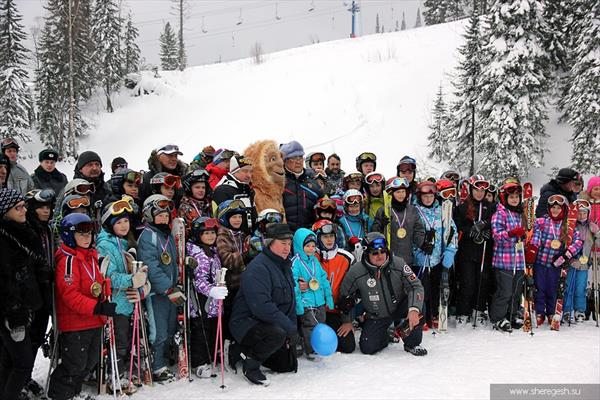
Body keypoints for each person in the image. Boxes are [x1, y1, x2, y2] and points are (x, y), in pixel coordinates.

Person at [48, 213, 117, 400]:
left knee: (90, 361)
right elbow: (70, 295)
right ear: (70, 236)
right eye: (82, 234)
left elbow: (96, 282)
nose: (87, 238)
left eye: (89, 234)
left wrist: (105, 293)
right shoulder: (68, 260)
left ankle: (73, 392)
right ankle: (59, 394)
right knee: (75, 363)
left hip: (93, 320)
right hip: (75, 323)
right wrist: (97, 307)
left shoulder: (90, 255)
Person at [229, 223, 298, 386]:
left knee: (286, 365)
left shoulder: (284, 264)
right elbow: (261, 306)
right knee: (277, 334)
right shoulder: (258, 267)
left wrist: (293, 327)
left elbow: (291, 299)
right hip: (247, 323)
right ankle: (250, 365)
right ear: (269, 243)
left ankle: (243, 352)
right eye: (282, 243)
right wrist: (288, 328)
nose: (287, 248)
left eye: (289, 243)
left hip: (271, 323)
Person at [338, 232, 427, 356]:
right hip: (376, 315)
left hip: (399, 307)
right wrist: (347, 321)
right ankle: (386, 334)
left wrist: (413, 309)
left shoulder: (398, 263)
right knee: (367, 347)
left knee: (419, 307)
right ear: (367, 253)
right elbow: (344, 295)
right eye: (374, 253)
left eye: (383, 251)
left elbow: (415, 286)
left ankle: (412, 343)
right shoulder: (356, 271)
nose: (380, 256)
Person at [0, 189, 49, 400]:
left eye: (23, 206)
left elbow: (31, 264)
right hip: (12, 311)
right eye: (17, 207)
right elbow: (3, 281)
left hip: (26, 304)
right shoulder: (3, 238)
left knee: (9, 360)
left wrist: (45, 274)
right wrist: (13, 311)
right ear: (5, 212)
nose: (23, 210)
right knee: (22, 363)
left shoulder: (21, 230)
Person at [96, 199, 149, 394]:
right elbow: (108, 276)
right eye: (118, 222)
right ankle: (114, 376)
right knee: (118, 342)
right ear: (110, 224)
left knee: (127, 340)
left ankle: (126, 373)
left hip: (128, 301)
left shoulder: (125, 242)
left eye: (126, 221)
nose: (124, 225)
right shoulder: (105, 245)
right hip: (116, 303)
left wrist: (142, 282)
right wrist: (132, 280)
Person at [137, 194, 181, 381]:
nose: (164, 218)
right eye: (159, 215)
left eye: (166, 215)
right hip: (157, 293)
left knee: (171, 326)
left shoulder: (166, 235)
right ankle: (157, 366)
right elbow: (151, 267)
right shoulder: (147, 236)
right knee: (159, 330)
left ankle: (167, 358)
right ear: (149, 215)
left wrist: (177, 279)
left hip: (170, 290)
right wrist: (167, 288)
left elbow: (172, 261)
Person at [526, 194, 583, 326]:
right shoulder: (542, 222)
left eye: (558, 208)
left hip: (555, 265)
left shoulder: (568, 225)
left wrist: (566, 254)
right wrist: (533, 248)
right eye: (553, 208)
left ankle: (552, 312)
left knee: (552, 289)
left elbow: (578, 242)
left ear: (563, 209)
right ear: (549, 209)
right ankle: (540, 312)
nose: (555, 210)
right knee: (539, 288)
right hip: (540, 262)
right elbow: (534, 233)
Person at [23, 189, 57, 397]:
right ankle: (19, 379)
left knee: (36, 337)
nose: (46, 211)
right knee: (26, 339)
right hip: (31, 292)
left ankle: (25, 377)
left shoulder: (47, 229)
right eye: (41, 208)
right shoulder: (27, 229)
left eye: (48, 207)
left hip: (46, 290)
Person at [412, 181, 458, 329]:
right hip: (421, 258)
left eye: (430, 196)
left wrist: (450, 251)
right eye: (424, 196)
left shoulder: (442, 211)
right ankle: (423, 315)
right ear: (420, 196)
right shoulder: (414, 211)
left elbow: (452, 232)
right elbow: (410, 235)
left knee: (437, 287)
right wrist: (417, 251)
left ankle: (435, 314)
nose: (427, 199)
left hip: (438, 258)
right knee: (422, 289)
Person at [186, 216, 226, 379]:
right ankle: (199, 363)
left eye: (212, 233)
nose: (210, 236)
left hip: (213, 302)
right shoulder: (199, 254)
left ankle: (211, 357)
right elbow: (199, 280)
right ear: (198, 235)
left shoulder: (212, 251)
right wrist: (211, 291)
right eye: (206, 233)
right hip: (202, 300)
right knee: (201, 331)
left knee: (211, 329)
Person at [312, 219, 355, 353]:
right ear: (318, 238)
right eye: (325, 237)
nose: (329, 240)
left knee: (347, 347)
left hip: (336, 311)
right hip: (314, 311)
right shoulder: (311, 257)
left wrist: (348, 320)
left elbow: (354, 289)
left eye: (331, 236)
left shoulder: (347, 258)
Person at [489, 180, 527, 332]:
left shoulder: (521, 214)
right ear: (505, 198)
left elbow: (527, 232)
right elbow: (497, 236)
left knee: (516, 291)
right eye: (511, 197)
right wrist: (511, 233)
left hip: (518, 261)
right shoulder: (500, 214)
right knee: (505, 291)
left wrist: (524, 236)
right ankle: (498, 317)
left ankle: (512, 314)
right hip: (504, 261)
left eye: (517, 197)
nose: (514, 200)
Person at [291, 228, 334, 360]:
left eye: (313, 246)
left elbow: (324, 279)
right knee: (310, 326)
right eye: (307, 246)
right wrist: (298, 306)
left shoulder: (315, 261)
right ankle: (311, 349)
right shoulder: (296, 262)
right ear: (299, 245)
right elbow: (293, 284)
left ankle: (319, 345)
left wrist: (329, 297)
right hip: (306, 302)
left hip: (319, 300)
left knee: (321, 323)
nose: (311, 249)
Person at [216, 199, 251, 338]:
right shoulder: (222, 235)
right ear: (225, 218)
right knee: (232, 316)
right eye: (234, 217)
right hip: (230, 285)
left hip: (242, 283)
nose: (238, 220)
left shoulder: (241, 234)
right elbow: (227, 260)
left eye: (240, 217)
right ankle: (229, 340)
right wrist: (245, 255)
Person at [372, 177, 425, 266]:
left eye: (403, 191)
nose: (401, 195)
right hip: (388, 258)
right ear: (391, 194)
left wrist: (423, 244)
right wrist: (381, 226)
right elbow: (374, 233)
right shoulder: (383, 211)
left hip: (407, 258)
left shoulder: (412, 210)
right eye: (398, 192)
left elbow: (418, 230)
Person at [564, 199, 599, 323]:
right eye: (579, 213)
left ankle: (580, 309)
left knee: (581, 286)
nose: (581, 216)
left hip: (584, 262)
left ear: (588, 214)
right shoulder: (570, 225)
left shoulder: (591, 226)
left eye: (584, 213)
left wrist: (597, 232)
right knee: (569, 286)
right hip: (571, 261)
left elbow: (598, 243)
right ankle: (567, 308)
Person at [280, 141, 322, 231]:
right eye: (294, 158)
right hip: (286, 237)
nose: (298, 161)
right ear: (285, 160)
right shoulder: (278, 182)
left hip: (309, 237)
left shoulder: (313, 182)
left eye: (300, 157)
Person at [212, 155, 255, 229]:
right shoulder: (222, 190)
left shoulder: (248, 189)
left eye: (251, 171)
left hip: (249, 235)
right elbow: (222, 219)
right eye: (244, 171)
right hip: (231, 237)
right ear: (234, 171)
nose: (249, 175)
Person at [338, 189, 373, 257]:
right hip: (348, 254)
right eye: (351, 206)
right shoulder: (341, 221)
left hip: (365, 254)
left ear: (361, 206)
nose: (354, 209)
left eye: (357, 206)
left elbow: (374, 233)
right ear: (346, 207)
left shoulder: (367, 220)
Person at [178, 169, 213, 236]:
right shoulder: (185, 207)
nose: (201, 190)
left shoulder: (208, 205)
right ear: (189, 188)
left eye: (203, 187)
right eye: (197, 187)